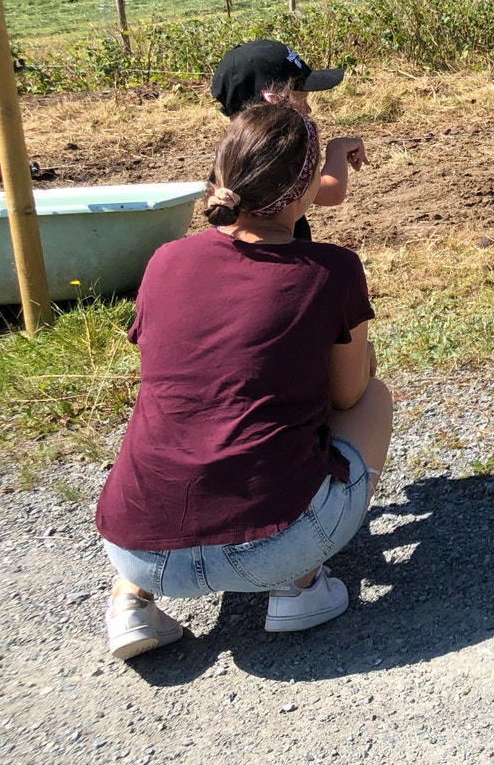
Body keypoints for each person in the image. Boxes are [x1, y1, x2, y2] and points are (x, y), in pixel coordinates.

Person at [95, 102, 393, 660]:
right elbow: (347, 396)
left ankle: (129, 603)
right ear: (310, 192)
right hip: (274, 545)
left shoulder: (164, 260)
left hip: (136, 547)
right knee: (371, 396)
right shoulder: (332, 269)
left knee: (179, 412)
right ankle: (298, 585)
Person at [209, 39, 367, 240]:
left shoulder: (229, 155)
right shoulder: (276, 155)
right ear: (271, 102)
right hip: (285, 261)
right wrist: (337, 148)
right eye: (301, 100)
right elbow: (331, 192)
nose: (308, 109)